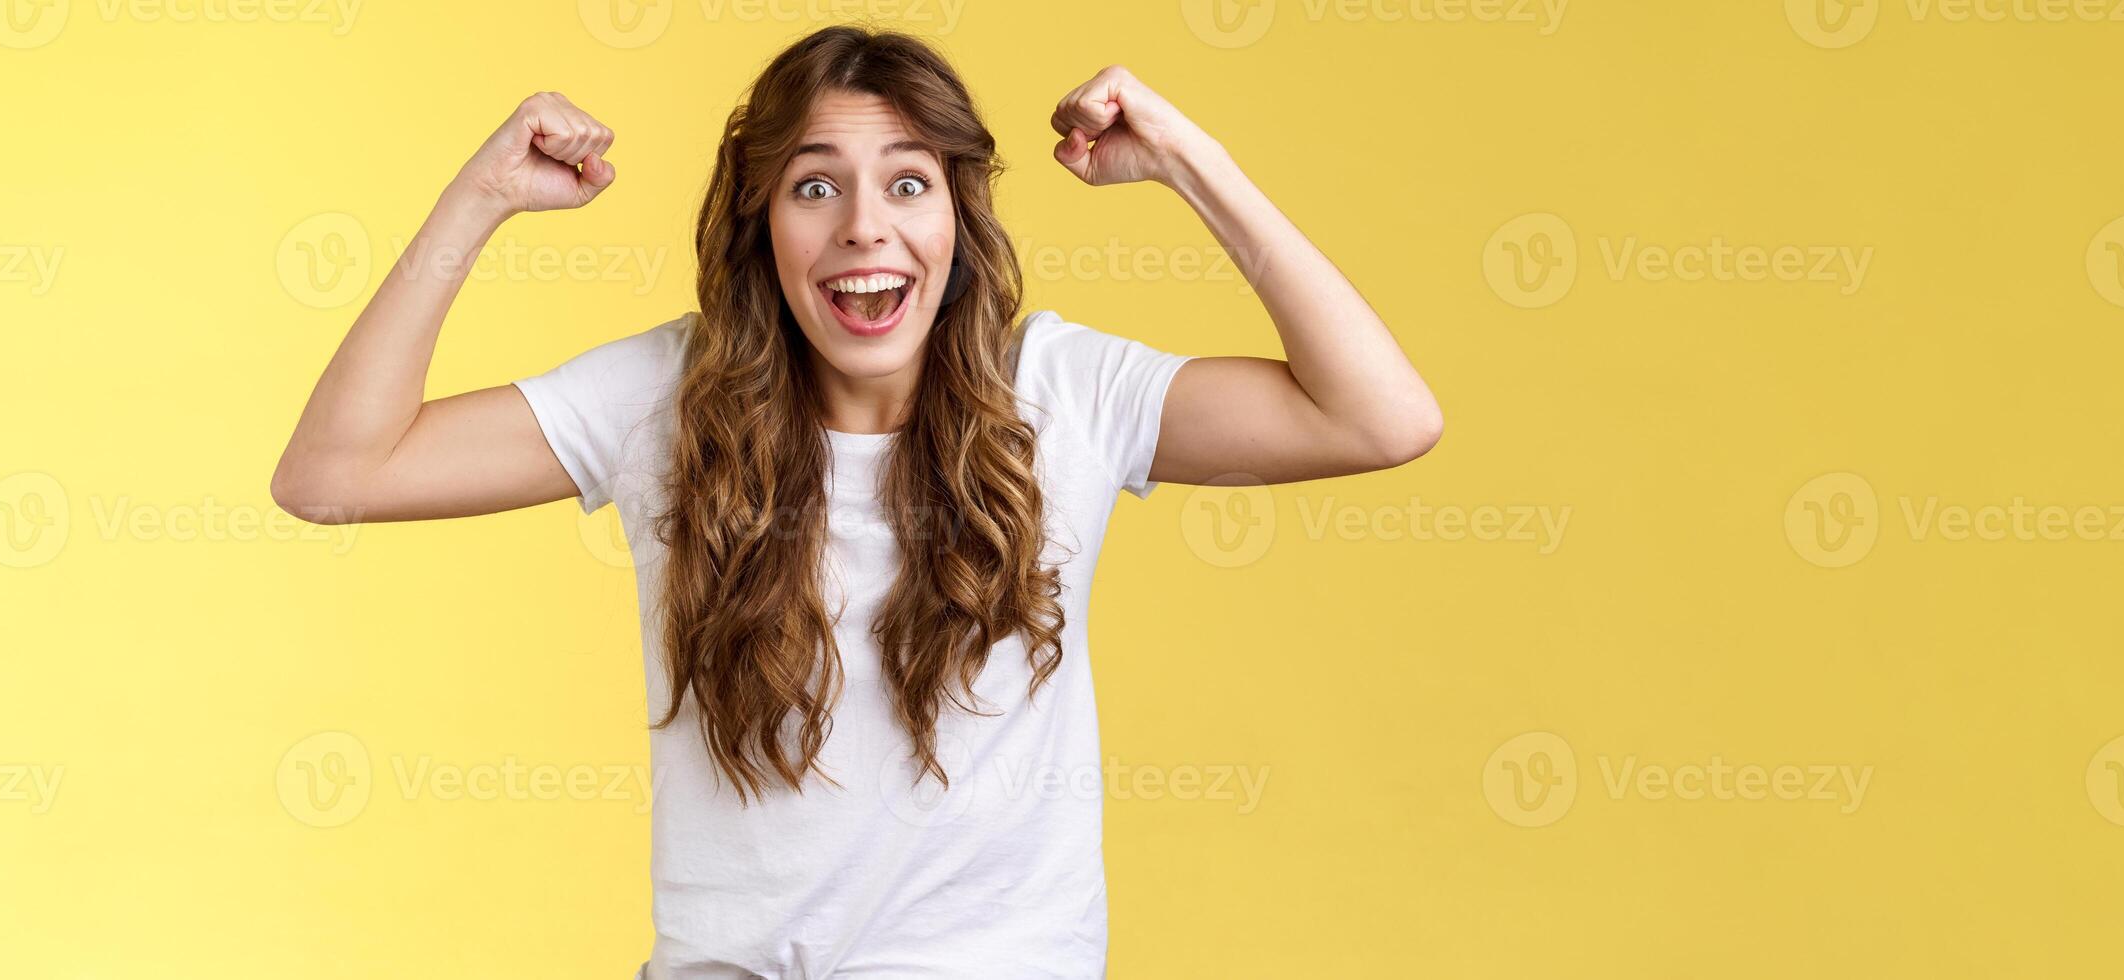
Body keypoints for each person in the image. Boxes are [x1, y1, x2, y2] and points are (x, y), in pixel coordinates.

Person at [270, 25, 1440, 979]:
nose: (863, 227)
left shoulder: (1064, 394)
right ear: (759, 226)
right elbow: (332, 475)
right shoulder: (664, 402)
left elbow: (1378, 417)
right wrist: (479, 199)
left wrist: (1186, 159)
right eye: (814, 185)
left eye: (908, 183)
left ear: (958, 222)